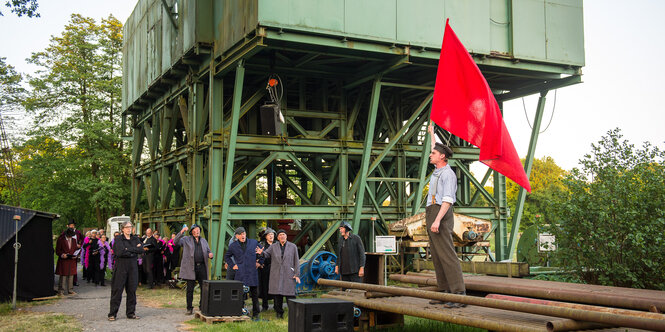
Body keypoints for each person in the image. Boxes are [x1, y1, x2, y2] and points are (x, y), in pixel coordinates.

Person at [425, 123, 466, 308]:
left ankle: (458, 294)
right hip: (432, 210)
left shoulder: (448, 174)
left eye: (433, 153)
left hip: (441, 212)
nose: (430, 154)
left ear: (442, 156)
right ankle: (444, 291)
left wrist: (438, 220)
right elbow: (435, 148)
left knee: (447, 254)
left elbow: (448, 200)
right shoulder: (437, 171)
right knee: (437, 254)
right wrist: (432, 134)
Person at [256, 229, 300, 319]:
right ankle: (279, 313)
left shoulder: (293, 246)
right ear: (278, 237)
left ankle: (294, 314)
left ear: (286, 236)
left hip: (289, 273)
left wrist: (297, 273)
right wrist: (261, 253)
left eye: (283, 234)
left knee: (290, 295)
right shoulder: (273, 247)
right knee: (277, 295)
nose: (282, 236)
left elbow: (296, 261)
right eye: (280, 235)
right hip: (276, 274)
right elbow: (267, 254)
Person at [108, 220, 144, 321]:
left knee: (132, 291)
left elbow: (141, 249)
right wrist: (133, 250)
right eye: (127, 227)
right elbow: (119, 252)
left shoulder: (135, 238)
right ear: (122, 229)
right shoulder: (118, 239)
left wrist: (128, 249)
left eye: (130, 227)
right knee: (117, 290)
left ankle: (131, 313)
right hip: (121, 267)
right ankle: (112, 314)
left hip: (133, 267)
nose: (129, 229)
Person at [175, 224, 213, 315]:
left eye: (198, 229)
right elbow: (175, 242)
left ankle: (202, 306)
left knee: (204, 288)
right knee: (190, 289)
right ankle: (189, 308)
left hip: (202, 267)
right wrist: (182, 231)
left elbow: (208, 250)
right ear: (192, 232)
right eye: (195, 229)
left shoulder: (203, 241)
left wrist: (210, 254)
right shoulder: (186, 240)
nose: (197, 231)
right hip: (191, 268)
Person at [224, 227, 262, 319]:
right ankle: (239, 311)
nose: (243, 235)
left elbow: (261, 252)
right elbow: (227, 256)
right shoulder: (233, 246)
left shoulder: (253, 243)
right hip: (240, 273)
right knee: (239, 294)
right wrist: (233, 265)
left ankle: (256, 313)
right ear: (236, 236)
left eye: (244, 233)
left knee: (254, 294)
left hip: (252, 272)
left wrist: (259, 262)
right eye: (240, 234)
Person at [55, 228, 80, 295]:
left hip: (71, 260)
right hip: (64, 261)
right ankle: (61, 291)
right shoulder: (61, 240)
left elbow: (75, 249)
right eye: (70, 235)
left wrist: (76, 255)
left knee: (71, 275)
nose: (70, 237)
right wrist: (63, 255)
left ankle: (70, 290)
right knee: (63, 276)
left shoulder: (74, 240)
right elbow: (57, 251)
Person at [258, 228, 276, 311]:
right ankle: (265, 306)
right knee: (265, 287)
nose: (271, 236)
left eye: (272, 234)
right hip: (265, 269)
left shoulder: (277, 244)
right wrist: (260, 263)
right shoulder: (261, 245)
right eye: (269, 235)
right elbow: (257, 255)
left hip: (276, 269)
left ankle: (276, 305)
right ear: (266, 236)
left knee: (276, 287)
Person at [61, 219, 83, 286]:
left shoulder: (77, 232)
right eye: (71, 225)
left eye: (73, 225)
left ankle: (74, 281)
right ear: (68, 226)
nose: (72, 226)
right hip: (67, 251)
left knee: (74, 266)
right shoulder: (64, 232)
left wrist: (80, 244)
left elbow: (82, 238)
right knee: (66, 266)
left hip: (75, 250)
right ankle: (66, 281)